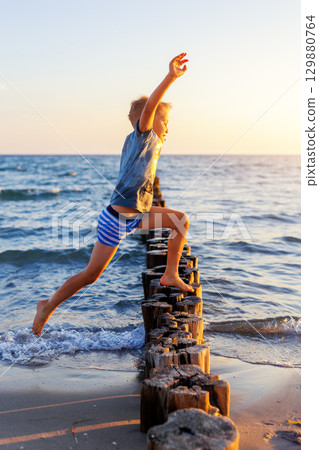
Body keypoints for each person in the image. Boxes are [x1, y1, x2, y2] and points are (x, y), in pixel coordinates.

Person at [33, 53, 194, 337]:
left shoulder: (145, 143)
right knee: (91, 275)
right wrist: (170, 77)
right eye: (165, 120)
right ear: (147, 120)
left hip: (136, 216)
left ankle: (170, 274)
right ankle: (47, 305)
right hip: (117, 220)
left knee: (180, 221)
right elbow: (149, 110)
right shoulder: (142, 135)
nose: (168, 127)